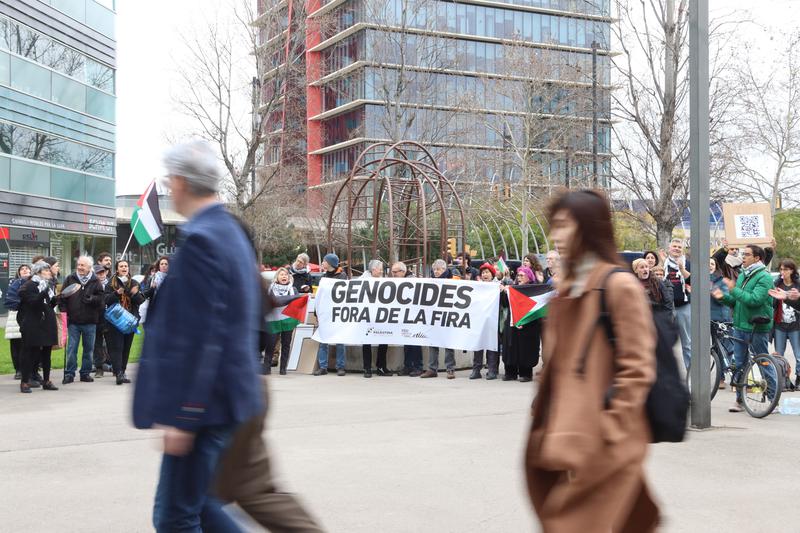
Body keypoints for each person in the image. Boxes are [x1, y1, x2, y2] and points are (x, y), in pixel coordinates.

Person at [132, 140, 265, 531]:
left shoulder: (203, 241)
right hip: (226, 400)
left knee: (175, 517)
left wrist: (184, 415)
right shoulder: (228, 232)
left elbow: (204, 336)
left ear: (179, 182)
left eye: (169, 181)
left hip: (205, 407)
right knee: (203, 506)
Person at [526, 189, 659, 533]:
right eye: (553, 226)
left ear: (588, 227)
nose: (556, 236)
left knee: (570, 524)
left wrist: (612, 427)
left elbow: (638, 367)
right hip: (570, 435)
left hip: (605, 442)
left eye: (564, 225)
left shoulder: (618, 286)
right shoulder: (569, 288)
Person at [712, 244, 775, 413]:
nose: (743, 257)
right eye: (743, 254)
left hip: (756, 326)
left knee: (763, 362)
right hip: (740, 325)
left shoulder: (765, 277)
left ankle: (772, 399)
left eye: (747, 254)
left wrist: (734, 289)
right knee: (738, 364)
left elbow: (755, 300)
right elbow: (737, 302)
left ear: (757, 258)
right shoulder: (743, 275)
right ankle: (739, 400)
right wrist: (723, 297)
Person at [60, 255, 105, 385]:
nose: (79, 267)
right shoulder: (70, 279)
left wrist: (92, 299)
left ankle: (85, 373)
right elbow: (63, 297)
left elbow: (102, 300)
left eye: (82, 265)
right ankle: (69, 373)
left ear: (89, 267)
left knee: (88, 350)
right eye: (78, 264)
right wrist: (64, 312)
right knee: (71, 349)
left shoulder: (96, 281)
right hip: (73, 321)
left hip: (90, 322)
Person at [17, 261, 60, 393]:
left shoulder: (49, 285)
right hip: (32, 323)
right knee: (29, 352)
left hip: (47, 322)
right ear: (38, 272)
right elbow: (33, 303)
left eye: (49, 270)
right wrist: (45, 291)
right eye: (46, 271)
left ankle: (46, 380)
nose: (49, 272)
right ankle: (25, 381)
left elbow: (48, 305)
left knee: (47, 353)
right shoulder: (29, 285)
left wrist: (56, 299)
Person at [105, 260, 146, 385]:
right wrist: (116, 293)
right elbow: (106, 300)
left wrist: (135, 293)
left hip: (130, 321)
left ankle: (122, 371)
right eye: (121, 266)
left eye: (126, 266)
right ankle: (118, 373)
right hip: (116, 321)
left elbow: (140, 300)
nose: (124, 268)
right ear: (117, 269)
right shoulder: (111, 283)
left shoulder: (133, 283)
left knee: (126, 348)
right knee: (117, 347)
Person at [500, 266, 542, 382]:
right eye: (518, 275)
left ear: (529, 277)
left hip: (529, 324)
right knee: (511, 347)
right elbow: (505, 305)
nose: (519, 277)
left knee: (526, 348)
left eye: (522, 275)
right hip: (513, 323)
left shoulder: (534, 289)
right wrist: (504, 292)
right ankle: (510, 373)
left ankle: (526, 374)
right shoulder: (512, 288)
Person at [421, 259, 457, 379]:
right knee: (433, 342)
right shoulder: (430, 281)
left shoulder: (454, 280)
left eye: (438, 269)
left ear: (444, 269)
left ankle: (450, 369)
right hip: (434, 315)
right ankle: (432, 369)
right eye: (434, 269)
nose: (436, 272)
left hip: (448, 315)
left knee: (448, 342)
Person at [314, 253, 348, 376]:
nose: (322, 263)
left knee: (340, 340)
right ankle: (323, 367)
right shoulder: (323, 277)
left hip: (338, 313)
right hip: (325, 313)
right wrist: (316, 312)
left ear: (329, 263)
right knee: (323, 340)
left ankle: (341, 366)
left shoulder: (343, 276)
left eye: (324, 261)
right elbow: (319, 297)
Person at [771, 259, 800, 389]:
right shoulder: (777, 284)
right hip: (779, 325)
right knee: (779, 355)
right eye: (781, 269)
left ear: (792, 270)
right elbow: (772, 304)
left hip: (795, 325)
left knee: (798, 355)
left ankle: (799, 377)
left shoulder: (797, 285)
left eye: (786, 269)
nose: (783, 272)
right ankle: (782, 380)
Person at [663, 238, 692, 369]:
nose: (676, 249)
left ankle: (691, 372)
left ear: (683, 250)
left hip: (683, 306)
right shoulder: (662, 263)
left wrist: (682, 268)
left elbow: (693, 281)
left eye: (679, 247)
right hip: (665, 307)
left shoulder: (689, 264)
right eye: (674, 246)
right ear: (669, 248)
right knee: (663, 341)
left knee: (687, 342)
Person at [391, 262, 423, 376]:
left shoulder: (412, 281)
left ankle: (418, 367)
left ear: (403, 272)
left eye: (395, 272)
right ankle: (408, 366)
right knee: (406, 342)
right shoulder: (399, 281)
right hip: (404, 316)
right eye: (392, 272)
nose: (393, 274)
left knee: (415, 342)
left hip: (413, 316)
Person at [361, 259, 392, 378]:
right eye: (380, 268)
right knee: (366, 341)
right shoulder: (362, 281)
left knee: (384, 339)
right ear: (374, 269)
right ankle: (367, 368)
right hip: (367, 315)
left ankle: (381, 367)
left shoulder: (383, 281)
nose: (381, 271)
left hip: (381, 315)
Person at [470, 263, 501, 380]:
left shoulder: (497, 286)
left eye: (487, 272)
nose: (485, 275)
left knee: (492, 345)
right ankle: (476, 369)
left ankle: (492, 369)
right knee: (478, 344)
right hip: (479, 320)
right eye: (483, 273)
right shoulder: (478, 287)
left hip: (493, 321)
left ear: (492, 274)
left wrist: (501, 291)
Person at [265, 267, 296, 375]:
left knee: (286, 344)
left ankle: (283, 368)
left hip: (287, 321)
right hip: (274, 320)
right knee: (271, 344)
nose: (284, 276)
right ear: (277, 277)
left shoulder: (293, 290)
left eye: (286, 275)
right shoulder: (270, 289)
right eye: (281, 275)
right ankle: (266, 367)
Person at [5, 264, 32, 380]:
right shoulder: (14, 283)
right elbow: (10, 300)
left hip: (29, 317)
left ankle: (29, 369)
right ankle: (18, 370)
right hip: (15, 318)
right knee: (16, 345)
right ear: (19, 272)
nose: (25, 270)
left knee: (26, 346)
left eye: (27, 268)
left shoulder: (34, 283)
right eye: (22, 269)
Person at [92, 265, 112, 377]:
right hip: (97, 317)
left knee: (111, 343)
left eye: (102, 272)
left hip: (110, 317)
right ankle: (99, 367)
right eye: (98, 273)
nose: (101, 274)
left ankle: (115, 366)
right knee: (97, 344)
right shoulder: (91, 285)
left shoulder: (111, 284)